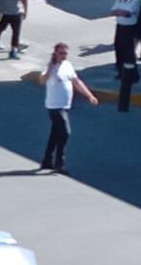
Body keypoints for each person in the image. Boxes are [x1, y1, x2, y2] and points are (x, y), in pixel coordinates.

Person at [39, 43, 97, 173]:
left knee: (55, 134)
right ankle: (60, 163)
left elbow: (76, 81)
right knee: (65, 132)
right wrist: (49, 69)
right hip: (54, 106)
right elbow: (42, 81)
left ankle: (47, 161)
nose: (64, 55)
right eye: (61, 53)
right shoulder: (51, 67)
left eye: (65, 53)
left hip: (65, 106)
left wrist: (89, 95)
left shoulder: (68, 65)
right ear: (55, 53)